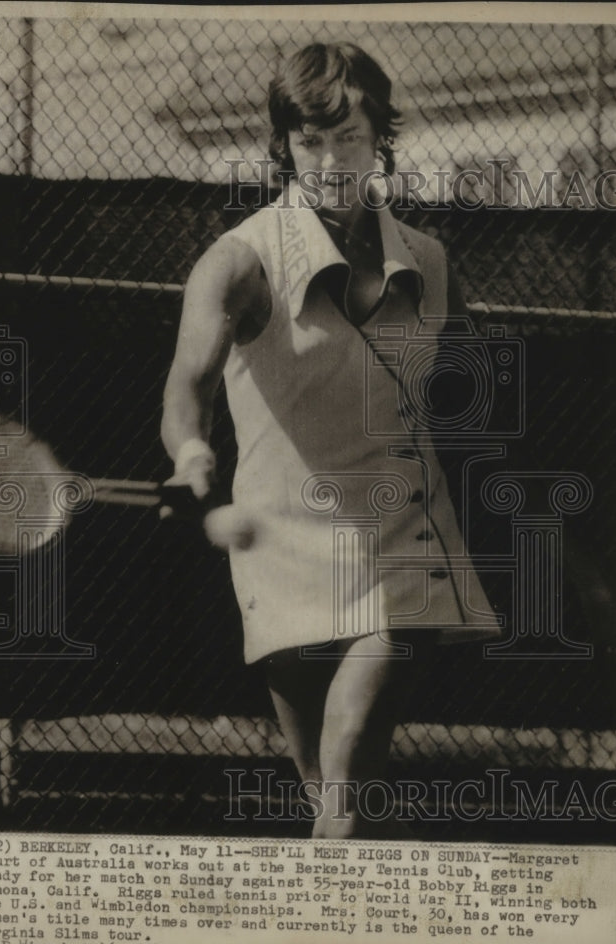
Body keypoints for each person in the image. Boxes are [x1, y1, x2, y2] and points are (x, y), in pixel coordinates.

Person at [162, 42, 500, 838]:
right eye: (311, 141)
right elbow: (188, 385)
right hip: (281, 532)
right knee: (323, 791)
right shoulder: (237, 262)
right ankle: (332, 940)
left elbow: (460, 391)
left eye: (350, 137)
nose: (331, 160)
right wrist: (192, 453)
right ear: (284, 144)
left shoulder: (430, 260)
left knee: (346, 775)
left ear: (381, 137)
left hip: (399, 531)